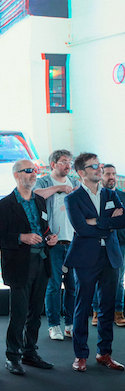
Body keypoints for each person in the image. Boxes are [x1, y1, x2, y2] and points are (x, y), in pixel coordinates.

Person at [0, 159, 58, 375]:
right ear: (17, 175)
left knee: (35, 313)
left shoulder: (39, 201)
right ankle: (12, 356)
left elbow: (44, 226)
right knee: (19, 313)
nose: (33, 174)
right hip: (19, 266)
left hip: (41, 262)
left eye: (35, 171)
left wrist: (50, 238)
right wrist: (22, 237)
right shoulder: (4, 205)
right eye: (28, 171)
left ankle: (30, 352)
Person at [65, 153, 125, 372]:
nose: (99, 169)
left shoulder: (111, 193)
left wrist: (97, 221)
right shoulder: (72, 198)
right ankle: (80, 355)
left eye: (100, 165)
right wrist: (108, 223)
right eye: (94, 166)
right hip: (85, 258)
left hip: (110, 256)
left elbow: (122, 220)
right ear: (81, 172)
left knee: (107, 307)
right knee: (83, 307)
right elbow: (81, 228)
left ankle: (104, 353)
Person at [33, 150, 78, 340]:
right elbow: (35, 194)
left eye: (69, 162)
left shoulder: (74, 182)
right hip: (53, 243)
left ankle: (70, 324)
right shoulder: (44, 181)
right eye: (63, 162)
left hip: (74, 242)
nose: (67, 166)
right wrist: (58, 189)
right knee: (53, 285)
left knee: (72, 286)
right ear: (53, 164)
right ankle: (53, 325)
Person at [90, 163, 125, 328]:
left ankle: (118, 312)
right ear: (100, 176)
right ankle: (97, 311)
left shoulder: (123, 197)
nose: (112, 177)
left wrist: (107, 222)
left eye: (114, 174)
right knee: (97, 279)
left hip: (121, 245)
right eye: (108, 174)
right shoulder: (95, 197)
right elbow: (93, 222)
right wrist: (111, 221)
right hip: (98, 244)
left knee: (118, 280)